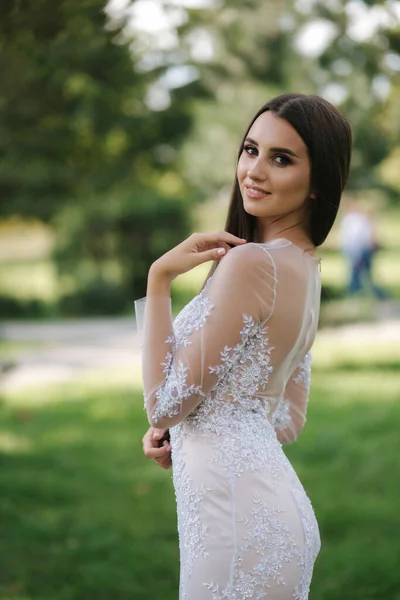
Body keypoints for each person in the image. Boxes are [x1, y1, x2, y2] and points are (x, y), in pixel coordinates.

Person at [136, 93, 352, 599]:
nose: (254, 170)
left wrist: (159, 278)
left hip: (237, 528)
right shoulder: (305, 268)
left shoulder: (253, 263)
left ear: (319, 183)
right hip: (273, 518)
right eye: (251, 149)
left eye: (281, 159)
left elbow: (164, 404)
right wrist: (191, 433)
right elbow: (286, 420)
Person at [339, 202, 386, 299]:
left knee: (360, 272)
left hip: (361, 249)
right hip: (360, 248)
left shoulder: (353, 219)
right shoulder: (353, 219)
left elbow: (358, 237)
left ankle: (359, 292)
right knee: (360, 272)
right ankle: (359, 292)